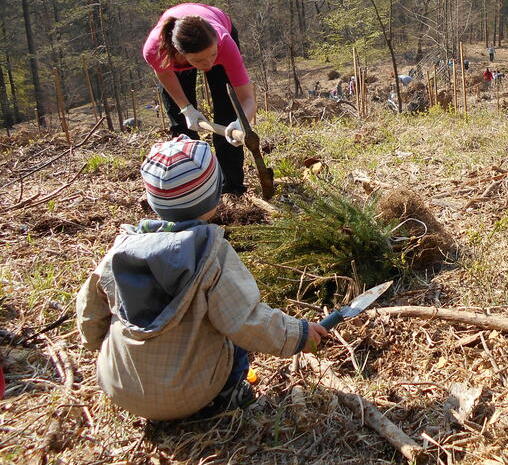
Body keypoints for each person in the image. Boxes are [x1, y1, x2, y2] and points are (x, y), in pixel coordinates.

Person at [76, 136, 328, 421]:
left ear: (150, 198)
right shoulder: (212, 257)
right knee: (231, 334)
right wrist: (298, 334)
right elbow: (246, 320)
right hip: (191, 396)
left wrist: (98, 345)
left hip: (120, 387)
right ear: (216, 195)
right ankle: (227, 396)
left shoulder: (119, 253)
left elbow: (89, 313)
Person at [143, 3, 256, 196]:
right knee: (180, 123)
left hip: (218, 28)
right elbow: (165, 75)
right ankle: (189, 185)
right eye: (199, 61)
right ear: (179, 53)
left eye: (212, 56)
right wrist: (186, 108)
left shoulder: (224, 43)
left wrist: (240, 123)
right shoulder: (156, 50)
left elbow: (248, 99)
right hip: (175, 53)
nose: (209, 64)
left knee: (227, 113)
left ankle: (232, 187)